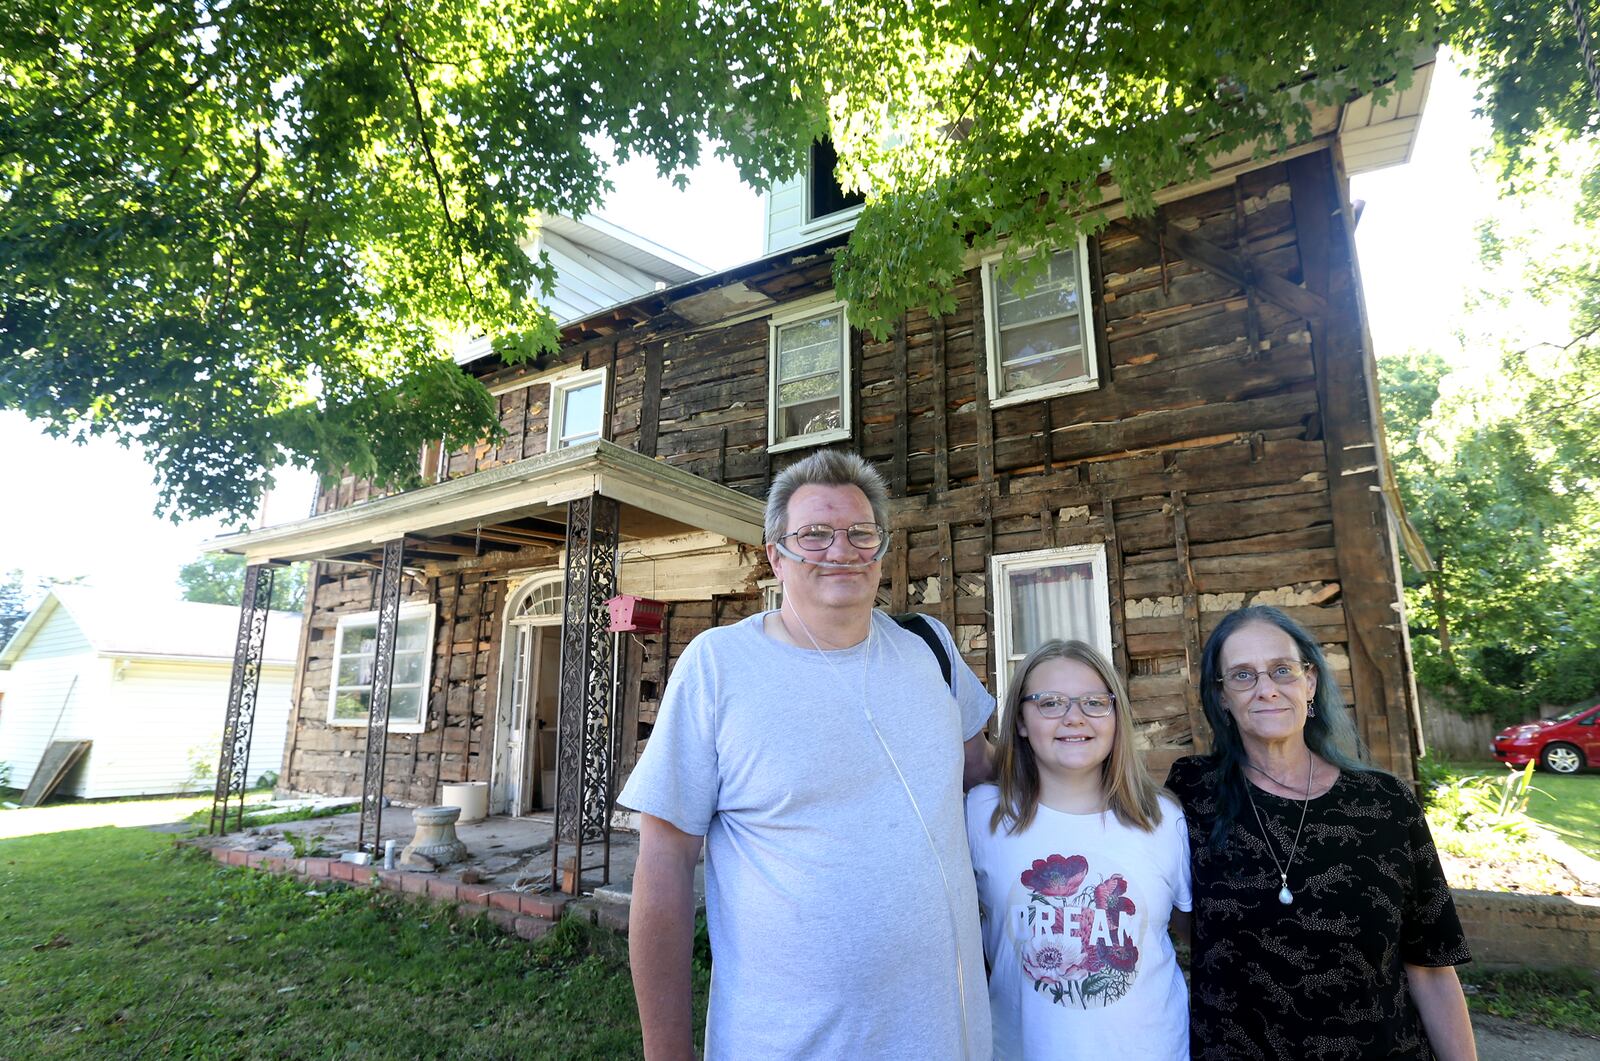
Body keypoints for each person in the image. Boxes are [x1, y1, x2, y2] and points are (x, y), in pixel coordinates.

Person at [620, 448, 996, 1060]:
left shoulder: (932, 650)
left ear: (881, 550)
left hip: (946, 1037)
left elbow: (984, 774)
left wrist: (1102, 784)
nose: (841, 549)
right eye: (814, 534)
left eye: (860, 533)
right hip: (783, 1042)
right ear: (776, 554)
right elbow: (664, 860)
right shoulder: (719, 667)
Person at [1164, 605, 1476, 1061]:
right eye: (1243, 675)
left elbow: (1430, 967)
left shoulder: (1384, 802)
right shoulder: (1193, 793)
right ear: (1222, 697)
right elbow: (1178, 917)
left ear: (1310, 683)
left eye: (1282, 670)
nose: (1266, 689)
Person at [967, 640, 1191, 1061]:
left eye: (1093, 702)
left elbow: (1193, 931)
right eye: (1050, 703)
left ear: (1115, 715)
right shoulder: (983, 816)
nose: (1075, 717)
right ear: (1019, 720)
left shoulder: (1161, 819)